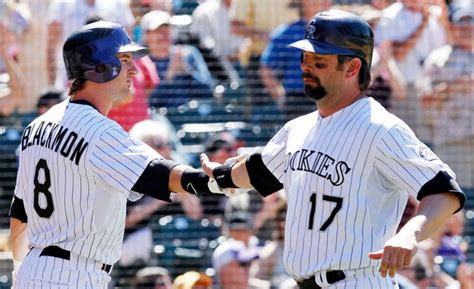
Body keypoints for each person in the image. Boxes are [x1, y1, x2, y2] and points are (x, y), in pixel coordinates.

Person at [201, 10, 465, 288]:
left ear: (352, 68)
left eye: (319, 60)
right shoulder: (298, 128)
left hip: (357, 281)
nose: (305, 66)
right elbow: (258, 170)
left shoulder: (381, 129)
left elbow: (444, 192)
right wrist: (214, 177)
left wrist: (409, 234)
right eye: (305, 57)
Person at [8, 21, 225, 289]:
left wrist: (22, 269)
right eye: (124, 60)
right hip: (74, 273)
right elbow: (159, 174)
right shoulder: (99, 130)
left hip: (36, 269)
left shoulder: (36, 127)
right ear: (99, 67)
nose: (134, 69)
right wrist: (220, 179)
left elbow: (20, 215)